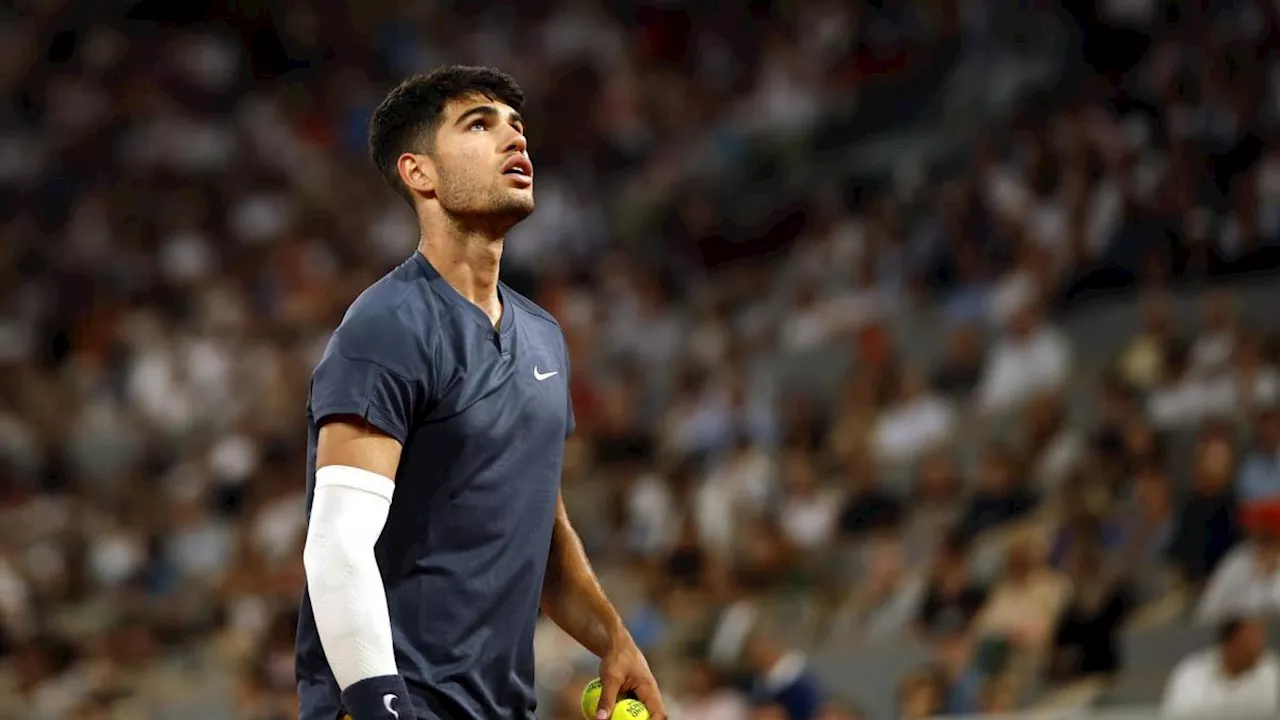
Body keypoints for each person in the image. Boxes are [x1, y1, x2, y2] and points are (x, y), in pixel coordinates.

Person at [294, 66, 666, 720]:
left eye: (517, 126)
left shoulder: (544, 337)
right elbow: (337, 544)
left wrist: (614, 639)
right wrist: (381, 705)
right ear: (420, 174)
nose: (515, 139)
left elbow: (540, 533)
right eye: (479, 124)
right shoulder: (387, 327)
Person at [1161, 616, 1279, 717]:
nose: (1261, 644)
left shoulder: (1273, 674)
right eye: (1255, 636)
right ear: (1232, 638)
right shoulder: (1191, 675)